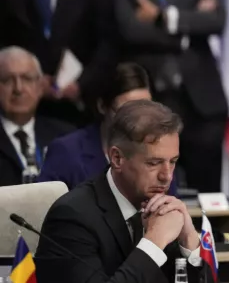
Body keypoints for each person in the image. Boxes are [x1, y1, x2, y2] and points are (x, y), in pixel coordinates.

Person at [110, 0, 228, 192]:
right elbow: (129, 30)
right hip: (151, 103)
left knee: (208, 198)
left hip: (202, 106)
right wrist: (188, 27)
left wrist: (163, 17)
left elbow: (217, 20)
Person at [35, 100, 205, 283]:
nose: (167, 176)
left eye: (172, 162)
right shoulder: (71, 218)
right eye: (153, 163)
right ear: (117, 158)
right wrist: (154, 242)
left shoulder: (163, 209)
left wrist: (189, 240)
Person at [39, 62, 176, 192]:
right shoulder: (67, 152)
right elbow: (44, 205)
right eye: (127, 112)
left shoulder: (160, 151)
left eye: (146, 112)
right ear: (102, 107)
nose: (138, 122)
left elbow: (171, 199)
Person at [0, 46, 74, 186]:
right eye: (8, 80)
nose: (18, 88)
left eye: (27, 79)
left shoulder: (66, 136)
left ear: (40, 87)